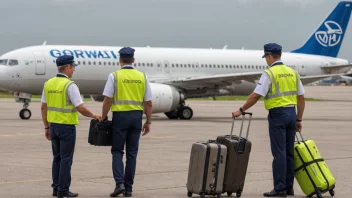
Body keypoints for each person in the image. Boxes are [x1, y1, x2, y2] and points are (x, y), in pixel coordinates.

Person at [232, 43, 305, 197]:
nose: (266, 60)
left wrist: (241, 110)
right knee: (289, 153)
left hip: (278, 115)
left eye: (266, 57)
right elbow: (301, 98)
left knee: (279, 153)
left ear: (270, 56)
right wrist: (299, 119)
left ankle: (279, 189)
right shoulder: (293, 72)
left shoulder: (269, 73)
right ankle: (289, 187)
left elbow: (256, 95)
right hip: (292, 114)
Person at [41, 55, 102, 198]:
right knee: (66, 159)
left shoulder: (48, 83)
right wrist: (94, 115)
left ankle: (56, 188)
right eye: (73, 66)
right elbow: (80, 107)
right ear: (67, 67)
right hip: (66, 128)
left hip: (54, 126)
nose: (74, 69)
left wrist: (46, 127)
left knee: (57, 158)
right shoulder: (70, 85)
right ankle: (63, 190)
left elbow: (43, 107)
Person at [101, 47, 153, 197]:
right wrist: (148, 122)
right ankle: (129, 189)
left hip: (120, 118)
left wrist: (103, 116)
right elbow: (148, 102)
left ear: (120, 60)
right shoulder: (143, 76)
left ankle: (119, 183)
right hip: (136, 118)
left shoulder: (115, 76)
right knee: (132, 153)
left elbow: (108, 99)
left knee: (117, 151)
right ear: (133, 60)